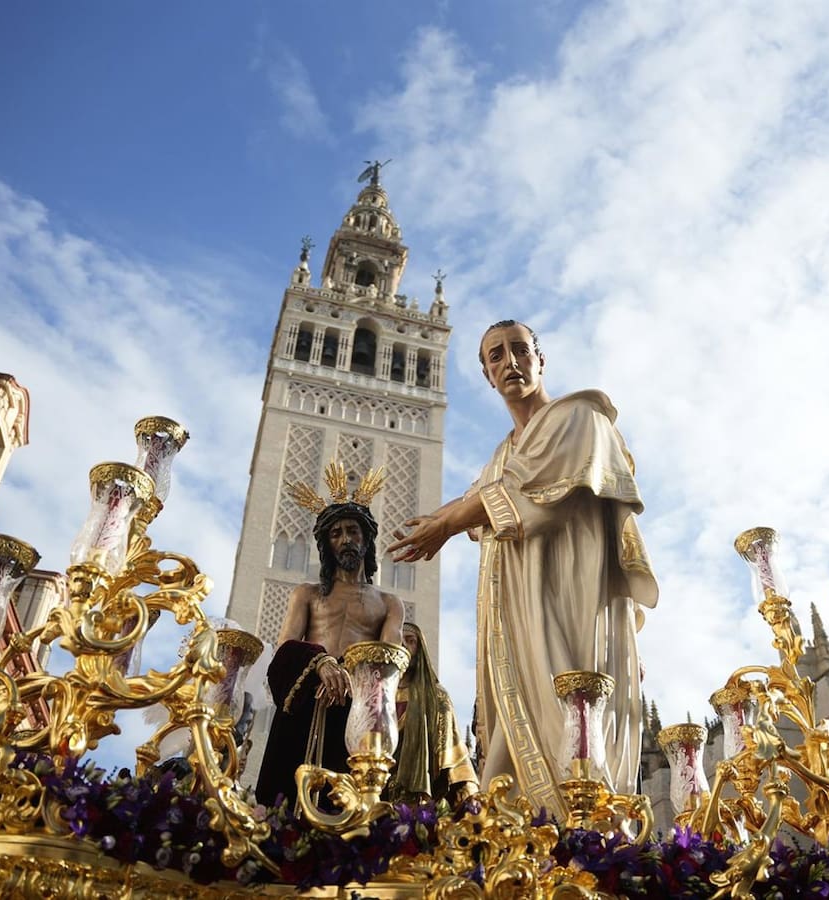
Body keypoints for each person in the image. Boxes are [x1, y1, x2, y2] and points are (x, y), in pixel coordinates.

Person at [387, 320, 659, 820]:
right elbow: (479, 495)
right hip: (517, 611)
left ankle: (588, 841)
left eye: (519, 350)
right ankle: (521, 848)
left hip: (572, 601)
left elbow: (522, 494)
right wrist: (435, 520)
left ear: (541, 358)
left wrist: (444, 526)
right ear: (486, 374)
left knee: (570, 725)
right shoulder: (502, 454)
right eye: (495, 356)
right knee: (510, 749)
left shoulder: (579, 417)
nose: (509, 362)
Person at [255, 467, 404, 809]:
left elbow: (389, 662)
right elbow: (285, 648)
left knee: (345, 803)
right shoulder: (307, 594)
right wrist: (320, 663)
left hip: (356, 707)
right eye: (336, 533)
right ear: (326, 543)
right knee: (286, 801)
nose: (345, 539)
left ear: (366, 540)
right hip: (309, 694)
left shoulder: (388, 603)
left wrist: (354, 681)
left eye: (352, 531)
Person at [389, 623, 479, 806]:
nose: (404, 646)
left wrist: (466, 786)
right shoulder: (379, 694)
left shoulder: (436, 696)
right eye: (398, 641)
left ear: (420, 650)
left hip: (418, 797)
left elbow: (451, 748)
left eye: (410, 641)